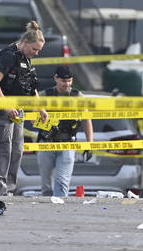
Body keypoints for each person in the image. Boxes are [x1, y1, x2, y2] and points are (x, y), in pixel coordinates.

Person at [0, 21, 48, 196]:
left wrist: (40, 109)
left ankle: (10, 190)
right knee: (3, 149)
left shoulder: (26, 59)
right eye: (34, 49)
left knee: (17, 150)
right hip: (0, 107)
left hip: (18, 109)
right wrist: (7, 107)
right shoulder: (8, 55)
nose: (36, 54)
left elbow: (30, 87)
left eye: (38, 51)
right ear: (26, 42)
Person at [36, 65, 94, 197]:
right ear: (56, 78)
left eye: (69, 81)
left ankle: (59, 210)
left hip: (68, 143)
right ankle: (46, 212)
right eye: (63, 81)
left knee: (62, 182)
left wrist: (89, 144)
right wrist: (48, 123)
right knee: (46, 185)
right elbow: (33, 119)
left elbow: (86, 120)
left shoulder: (78, 97)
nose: (66, 84)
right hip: (46, 143)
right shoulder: (45, 95)